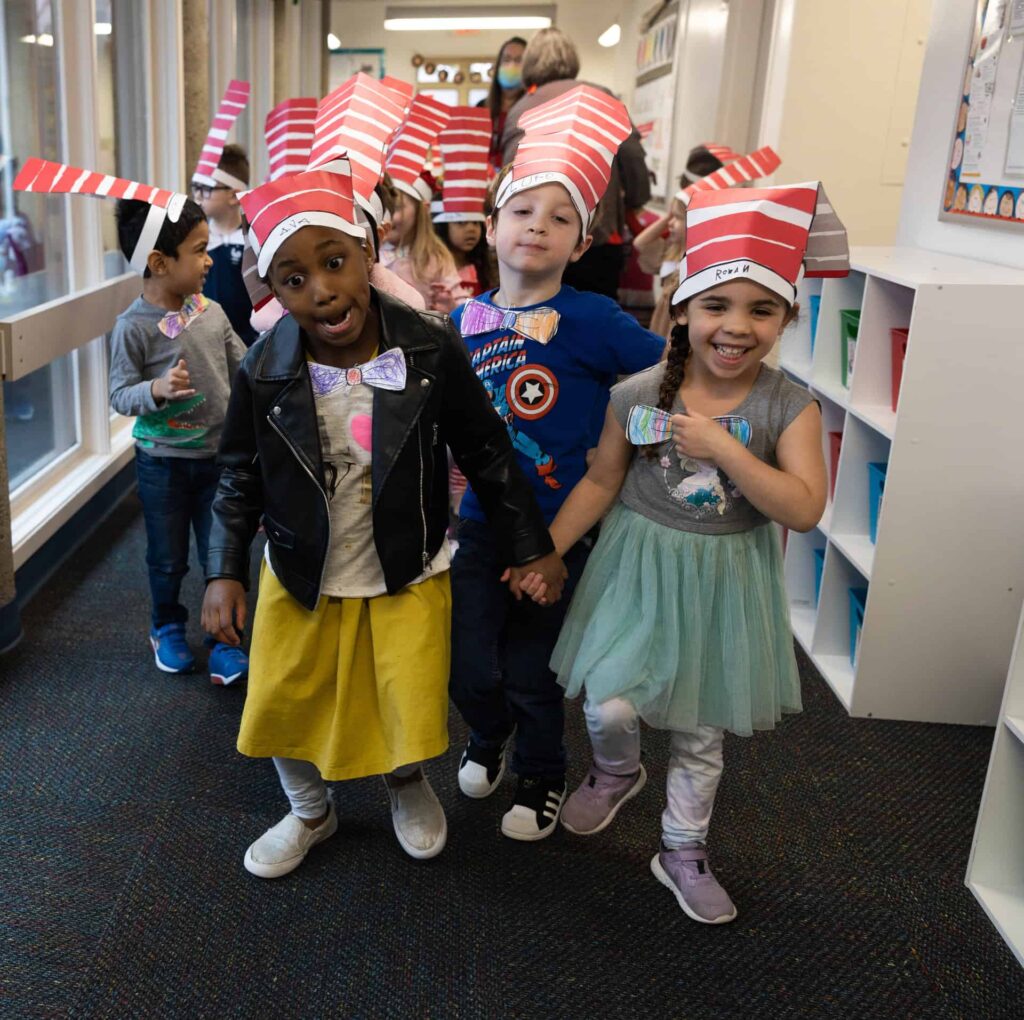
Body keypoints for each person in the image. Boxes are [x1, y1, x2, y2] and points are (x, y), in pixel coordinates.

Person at [200, 167, 566, 877]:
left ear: (368, 252)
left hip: (406, 565)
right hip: (302, 569)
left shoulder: (429, 345)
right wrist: (221, 568)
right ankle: (311, 808)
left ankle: (404, 784)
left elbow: (487, 448)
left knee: (403, 697)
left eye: (335, 263)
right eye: (293, 279)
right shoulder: (264, 368)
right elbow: (238, 472)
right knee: (284, 697)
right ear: (272, 291)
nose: (323, 291)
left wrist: (531, 546)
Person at [521, 181, 847, 923]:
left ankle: (682, 849)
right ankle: (616, 769)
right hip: (635, 570)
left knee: (702, 731)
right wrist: (550, 553)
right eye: (717, 307)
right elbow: (603, 479)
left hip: (723, 583)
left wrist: (722, 451)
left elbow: (801, 506)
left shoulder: (786, 405)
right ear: (682, 312)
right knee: (606, 701)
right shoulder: (639, 394)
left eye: (761, 310)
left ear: (784, 320)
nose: (736, 327)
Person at [448, 86, 666, 842]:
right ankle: (487, 734)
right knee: (470, 665)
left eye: (560, 217)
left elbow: (662, 376)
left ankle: (543, 772)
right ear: (489, 228)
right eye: (522, 210)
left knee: (534, 671)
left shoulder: (594, 317)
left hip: (562, 527)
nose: (537, 224)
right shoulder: (460, 322)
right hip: (478, 524)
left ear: (580, 245)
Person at [109, 198, 248, 683]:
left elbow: (245, 366)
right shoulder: (133, 326)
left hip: (219, 462)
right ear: (160, 263)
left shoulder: (211, 312)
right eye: (199, 250)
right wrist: (157, 389)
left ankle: (223, 640)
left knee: (222, 556)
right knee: (167, 559)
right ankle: (166, 624)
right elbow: (119, 394)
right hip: (162, 465)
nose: (209, 260)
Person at [500, 27, 651, 300]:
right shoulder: (602, 98)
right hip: (598, 235)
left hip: (537, 241)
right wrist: (636, 200)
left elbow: (508, 180)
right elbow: (633, 157)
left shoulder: (521, 109)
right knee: (597, 320)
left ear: (529, 65)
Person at [194, 143, 257, 346]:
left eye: (206, 189)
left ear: (233, 195)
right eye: (196, 187)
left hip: (248, 344)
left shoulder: (253, 241)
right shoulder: (194, 243)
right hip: (206, 343)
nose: (197, 196)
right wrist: (172, 329)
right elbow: (187, 295)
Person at [478, 36, 527, 170]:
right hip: (483, 185)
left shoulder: (532, 110)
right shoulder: (481, 108)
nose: (511, 65)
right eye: (506, 59)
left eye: (518, 60)